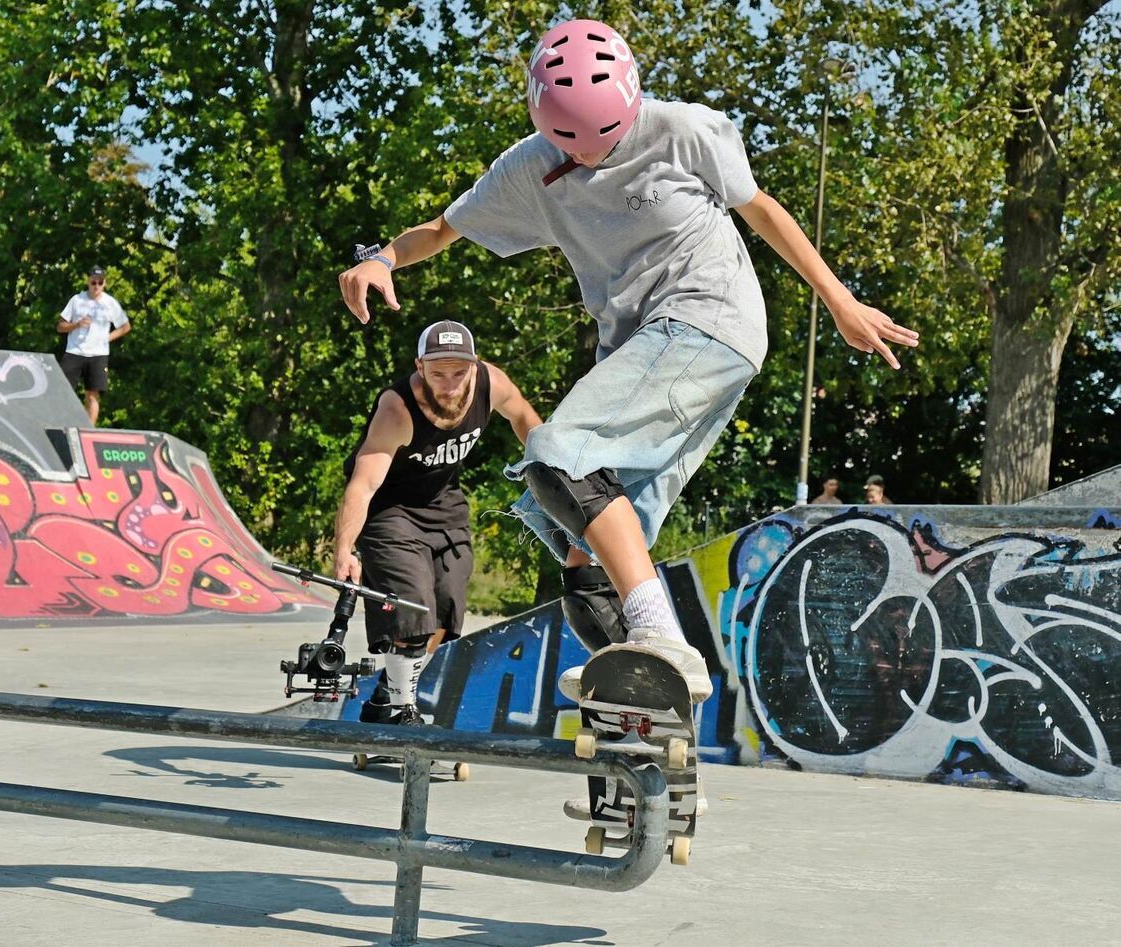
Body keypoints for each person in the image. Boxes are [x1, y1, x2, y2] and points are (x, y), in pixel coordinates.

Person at [337, 18, 919, 706]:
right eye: (572, 150)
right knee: (588, 561)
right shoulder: (529, 167)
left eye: (604, 147)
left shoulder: (682, 129)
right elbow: (442, 229)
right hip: (648, 351)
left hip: (709, 318)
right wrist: (380, 256)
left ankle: (663, 638)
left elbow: (761, 209)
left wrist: (839, 301)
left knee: (557, 456)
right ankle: (647, 711)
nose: (588, 162)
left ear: (632, 101)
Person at [334, 320, 542, 725]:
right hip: (390, 508)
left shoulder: (490, 383)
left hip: (444, 503)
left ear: (475, 366)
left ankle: (386, 695)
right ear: (420, 366)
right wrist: (344, 548)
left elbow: (523, 418)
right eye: (438, 374)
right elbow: (364, 482)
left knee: (446, 608)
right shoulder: (397, 409)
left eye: (459, 373)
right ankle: (401, 711)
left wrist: (552, 466)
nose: (449, 385)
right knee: (413, 608)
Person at [57, 265, 131, 424]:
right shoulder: (77, 300)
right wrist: (76, 325)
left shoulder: (110, 303)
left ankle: (89, 430)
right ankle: (62, 422)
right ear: (88, 282)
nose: (96, 286)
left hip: (98, 354)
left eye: (100, 282)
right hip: (74, 351)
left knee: (92, 394)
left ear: (104, 283)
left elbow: (125, 327)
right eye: (93, 282)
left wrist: (107, 338)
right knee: (63, 390)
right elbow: (60, 326)